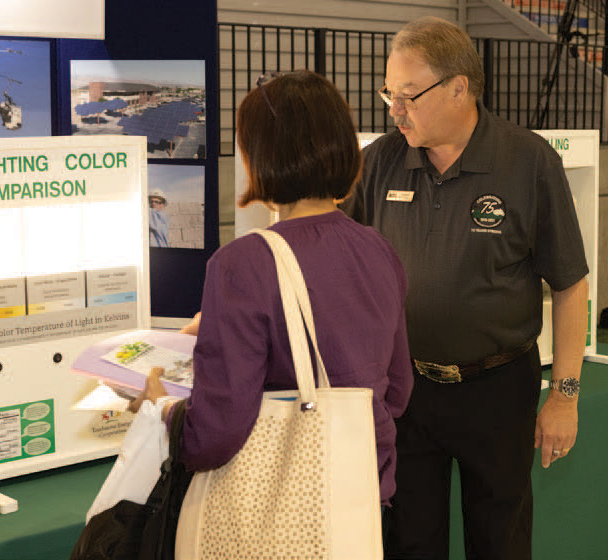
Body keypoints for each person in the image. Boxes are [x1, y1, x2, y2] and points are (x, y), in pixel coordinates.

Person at [341, 16, 589, 560]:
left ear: (460, 87)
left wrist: (564, 397)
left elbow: (571, 286)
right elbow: (327, 248)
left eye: (408, 95)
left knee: (499, 540)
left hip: (497, 391)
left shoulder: (528, 163)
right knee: (408, 540)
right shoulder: (381, 161)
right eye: (389, 93)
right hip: (405, 392)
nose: (394, 109)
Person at [130, 70, 413, 512]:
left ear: (259, 157)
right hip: (364, 496)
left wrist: (162, 410)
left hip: (282, 512)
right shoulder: (378, 249)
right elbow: (396, 391)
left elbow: (216, 433)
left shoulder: (243, 264)